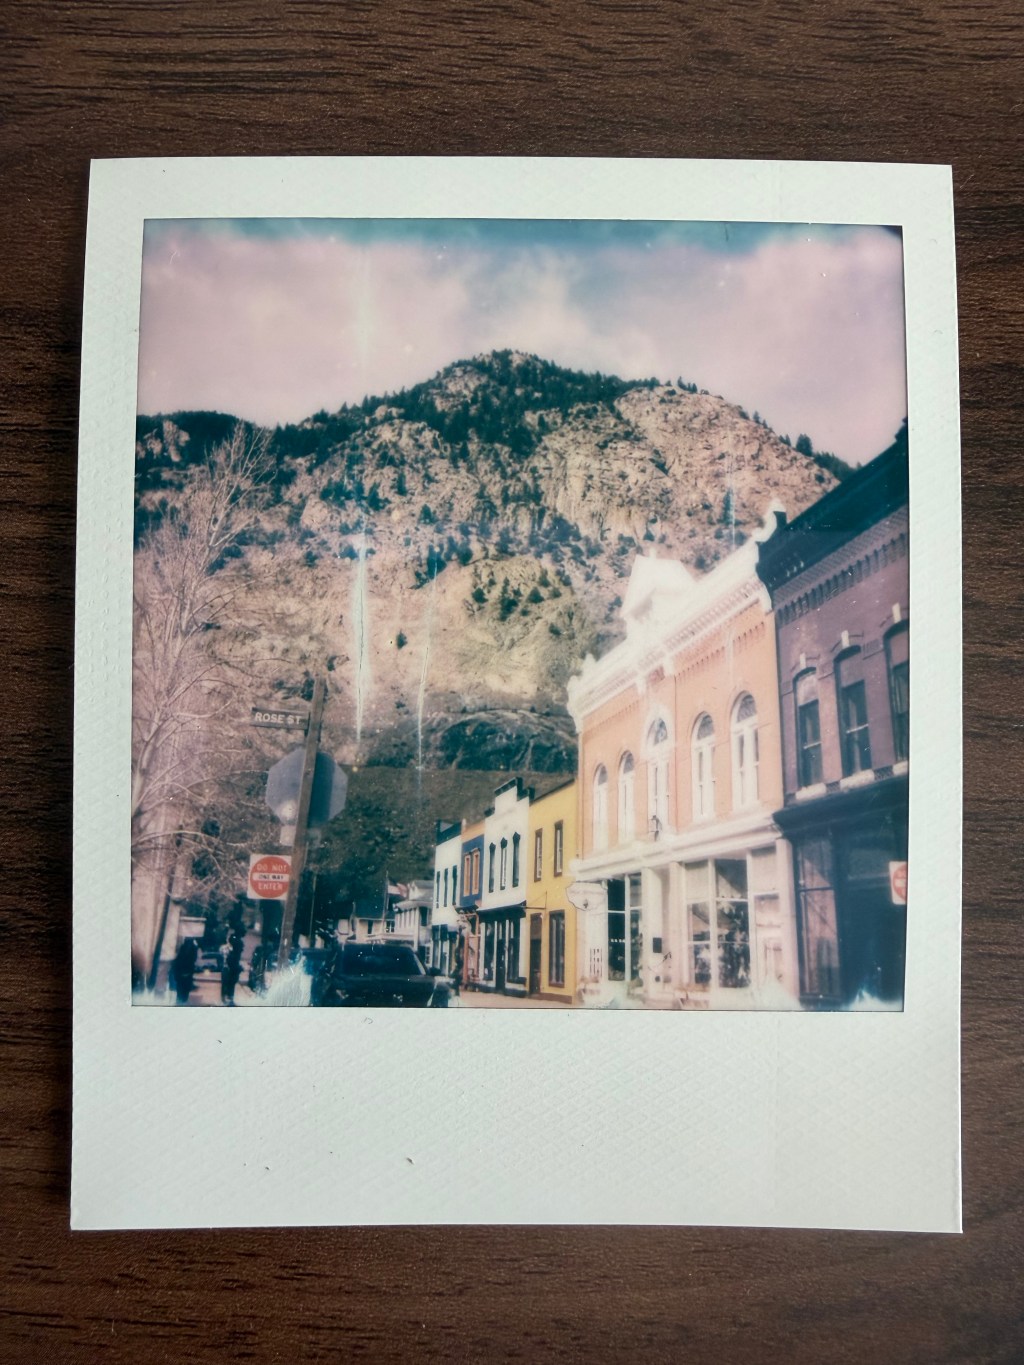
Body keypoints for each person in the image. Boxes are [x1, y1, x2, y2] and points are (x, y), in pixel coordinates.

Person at [172, 936, 199, 1006]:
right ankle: (182, 1000)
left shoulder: (185, 946)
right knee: (184, 987)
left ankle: (181, 1000)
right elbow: (194, 958)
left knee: (181, 986)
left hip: (183, 969)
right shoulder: (192, 946)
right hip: (185, 969)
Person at [221, 929, 244, 1005]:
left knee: (231, 983)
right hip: (226, 968)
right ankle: (225, 999)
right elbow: (224, 959)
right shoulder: (227, 948)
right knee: (227, 983)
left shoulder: (235, 948)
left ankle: (229, 999)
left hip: (230, 968)